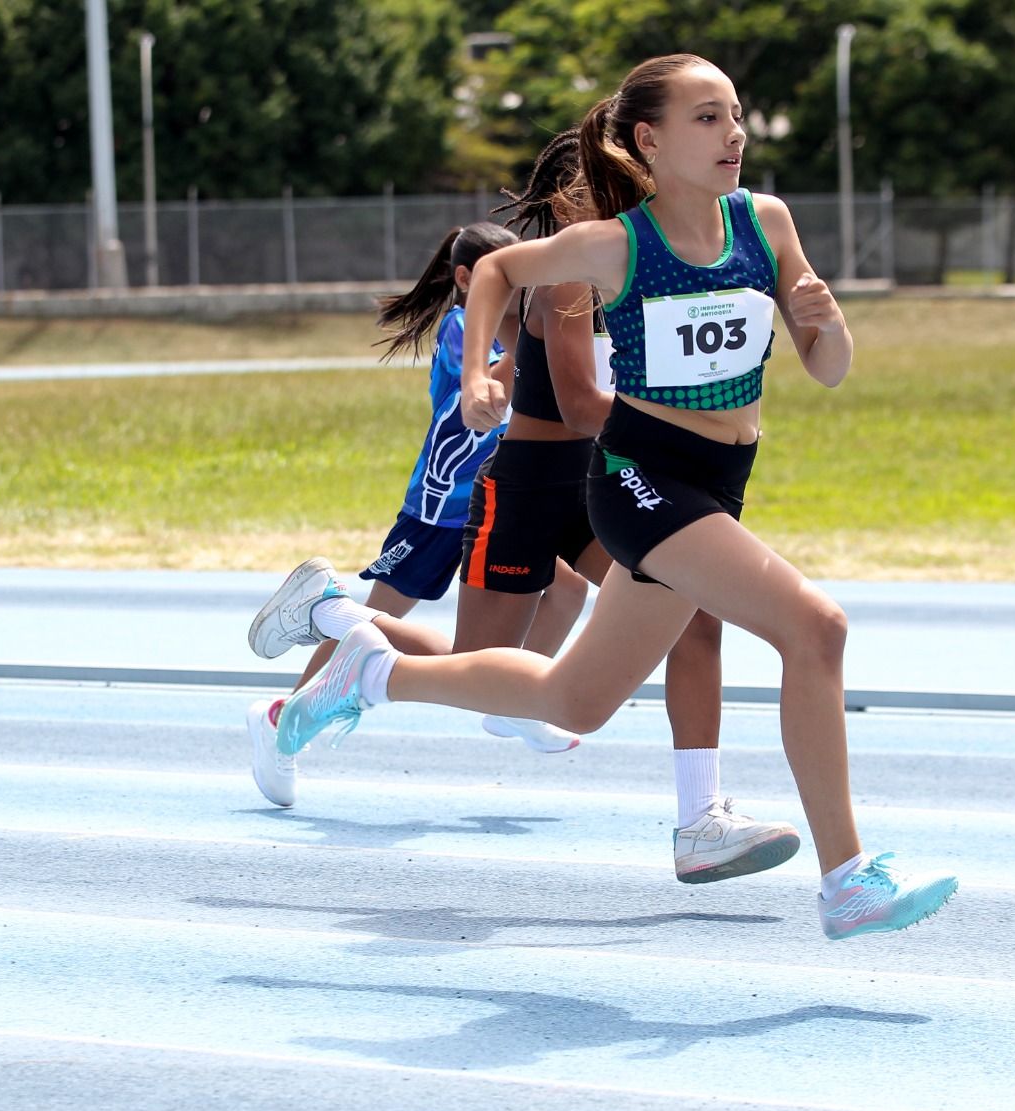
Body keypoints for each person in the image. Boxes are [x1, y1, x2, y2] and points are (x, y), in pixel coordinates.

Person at [272, 55, 959, 939]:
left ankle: (371, 672)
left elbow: (826, 370)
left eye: (736, 116)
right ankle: (848, 881)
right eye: (708, 119)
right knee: (816, 626)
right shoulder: (619, 246)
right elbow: (493, 273)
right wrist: (484, 374)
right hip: (642, 480)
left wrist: (830, 325)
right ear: (651, 139)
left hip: (719, 482)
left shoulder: (767, 223)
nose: (734, 134)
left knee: (573, 701)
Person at [253, 129, 803, 886]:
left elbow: (540, 362)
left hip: (608, 476)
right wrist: (679, 434)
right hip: (531, 483)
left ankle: (699, 817)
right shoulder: (576, 272)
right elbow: (578, 403)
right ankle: (338, 617)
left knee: (697, 617)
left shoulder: (656, 257)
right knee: (485, 663)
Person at [246, 222, 587, 807]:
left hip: (499, 502)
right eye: (505, 273)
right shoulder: (463, 330)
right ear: (466, 279)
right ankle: (283, 718)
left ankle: (515, 699)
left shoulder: (525, 325)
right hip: (442, 507)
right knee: (378, 619)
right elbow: (495, 389)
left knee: (568, 591)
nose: (518, 282)